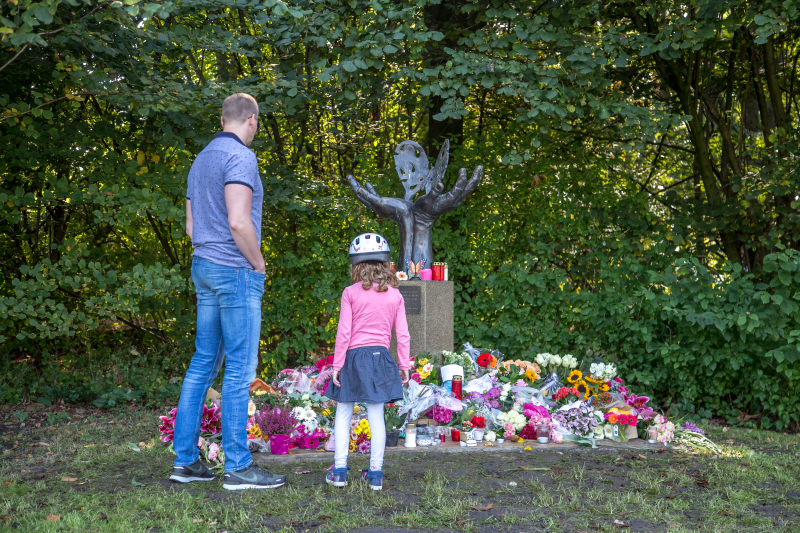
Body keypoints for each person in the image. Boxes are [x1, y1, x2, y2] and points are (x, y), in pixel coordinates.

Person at [170, 93, 286, 490]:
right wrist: (258, 264)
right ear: (252, 120)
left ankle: (185, 462)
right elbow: (239, 221)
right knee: (239, 369)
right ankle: (238, 466)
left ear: (222, 120)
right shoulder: (241, 157)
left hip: (203, 266)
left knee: (202, 364)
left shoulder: (200, 160)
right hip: (234, 270)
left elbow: (191, 226)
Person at [325, 233, 411, 491]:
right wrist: (404, 365)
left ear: (356, 265)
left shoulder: (350, 292)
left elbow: (344, 332)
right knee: (376, 415)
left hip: (353, 357)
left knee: (343, 412)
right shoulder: (395, 295)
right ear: (385, 264)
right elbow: (403, 334)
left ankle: (339, 472)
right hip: (380, 357)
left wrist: (337, 365)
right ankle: (375, 474)